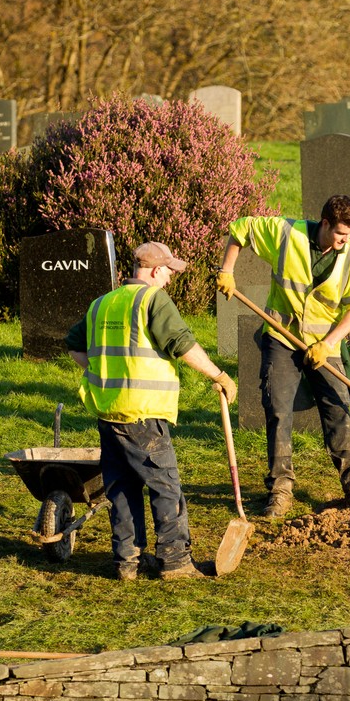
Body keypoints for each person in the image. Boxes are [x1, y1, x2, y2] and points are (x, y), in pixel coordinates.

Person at [66, 242, 239, 582]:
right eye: (170, 272)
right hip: (142, 414)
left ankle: (127, 562)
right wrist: (218, 375)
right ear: (156, 270)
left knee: (122, 488)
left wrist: (101, 372)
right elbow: (182, 344)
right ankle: (175, 562)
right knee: (165, 487)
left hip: (108, 412)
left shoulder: (103, 303)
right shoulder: (152, 299)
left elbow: (74, 345)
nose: (171, 279)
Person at [216, 194, 350, 518]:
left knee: (338, 407)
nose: (345, 241)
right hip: (282, 337)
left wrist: (328, 344)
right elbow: (241, 229)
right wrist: (226, 270)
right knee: (278, 410)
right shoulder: (287, 234)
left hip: (325, 344)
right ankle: (280, 491)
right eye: (341, 234)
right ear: (325, 224)